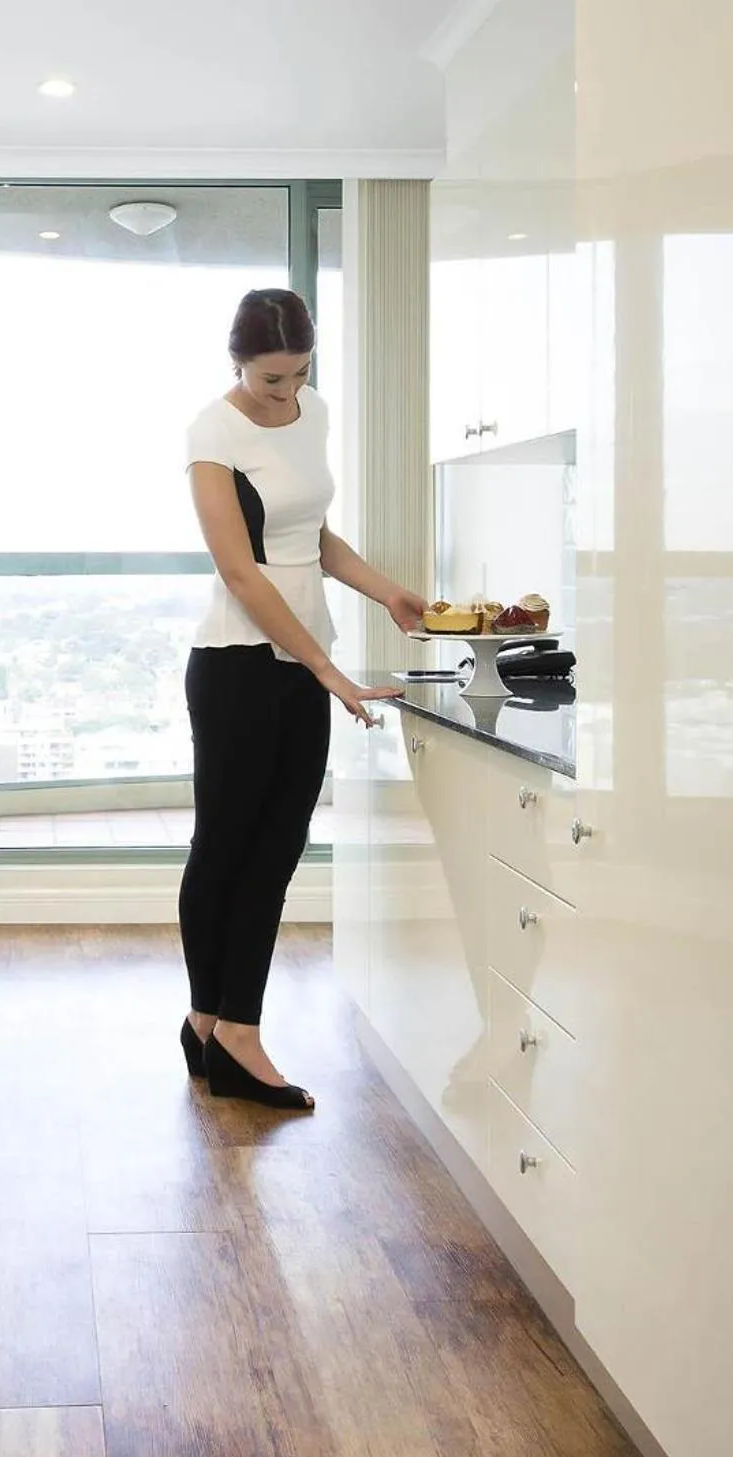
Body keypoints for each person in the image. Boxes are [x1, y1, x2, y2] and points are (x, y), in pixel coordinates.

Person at [178, 288, 425, 1111]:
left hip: (300, 660)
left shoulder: (310, 412)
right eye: (271, 378)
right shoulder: (213, 433)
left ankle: (214, 1023)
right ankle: (229, 1029)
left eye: (298, 374)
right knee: (225, 848)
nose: (285, 391)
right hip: (239, 663)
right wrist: (328, 670)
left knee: (277, 851)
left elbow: (310, 538)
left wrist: (387, 591)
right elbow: (242, 570)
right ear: (238, 363)